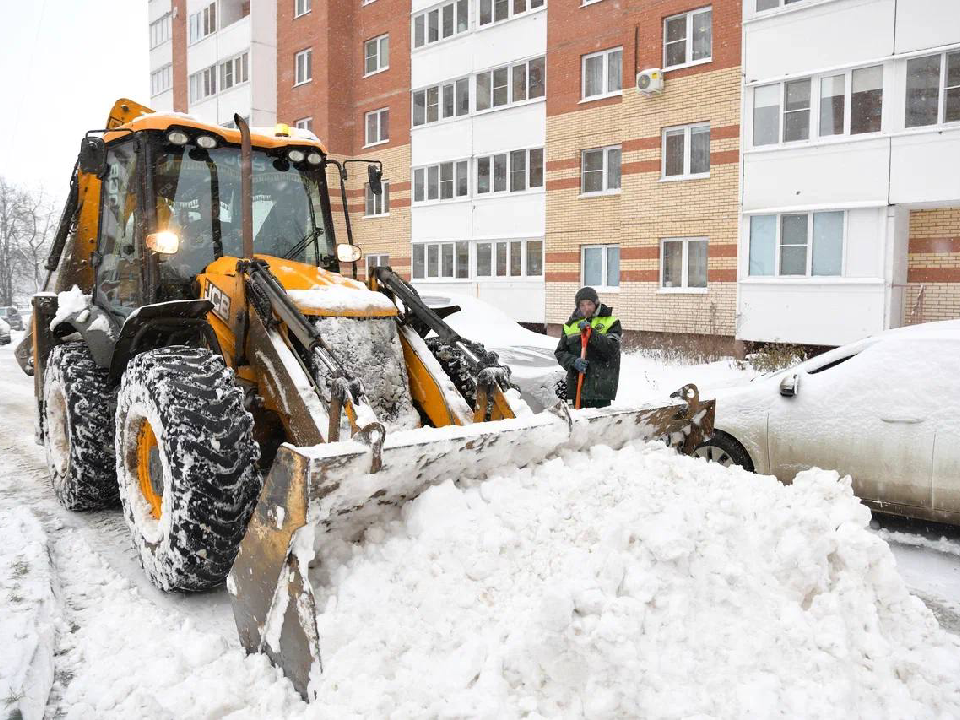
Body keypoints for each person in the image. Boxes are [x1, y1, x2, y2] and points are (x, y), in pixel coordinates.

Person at [554, 286, 622, 409]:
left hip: (599, 390)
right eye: (582, 305)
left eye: (589, 304)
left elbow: (612, 350)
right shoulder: (570, 326)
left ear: (596, 304)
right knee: (578, 426)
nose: (586, 308)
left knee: (598, 426)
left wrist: (592, 334)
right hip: (576, 388)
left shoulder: (610, 322)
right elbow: (560, 353)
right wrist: (573, 361)